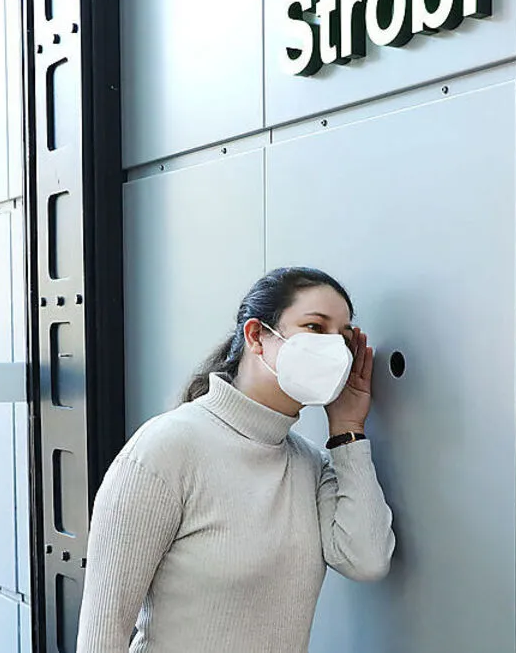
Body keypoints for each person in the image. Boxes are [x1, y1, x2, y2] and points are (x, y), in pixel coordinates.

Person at [76, 267, 396, 653]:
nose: (332, 348)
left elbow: (367, 559)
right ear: (257, 336)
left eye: (342, 338)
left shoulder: (310, 465)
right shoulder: (166, 449)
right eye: (315, 327)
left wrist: (347, 429)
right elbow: (101, 635)